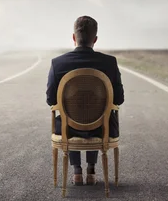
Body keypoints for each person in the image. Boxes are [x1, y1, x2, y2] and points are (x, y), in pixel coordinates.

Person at [46, 15, 125, 186]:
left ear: (74, 38)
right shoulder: (109, 63)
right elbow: (119, 99)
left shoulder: (58, 64)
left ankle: (76, 171)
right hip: (102, 128)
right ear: (95, 39)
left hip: (69, 128)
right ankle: (91, 170)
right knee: (98, 116)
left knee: (68, 117)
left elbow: (50, 99)